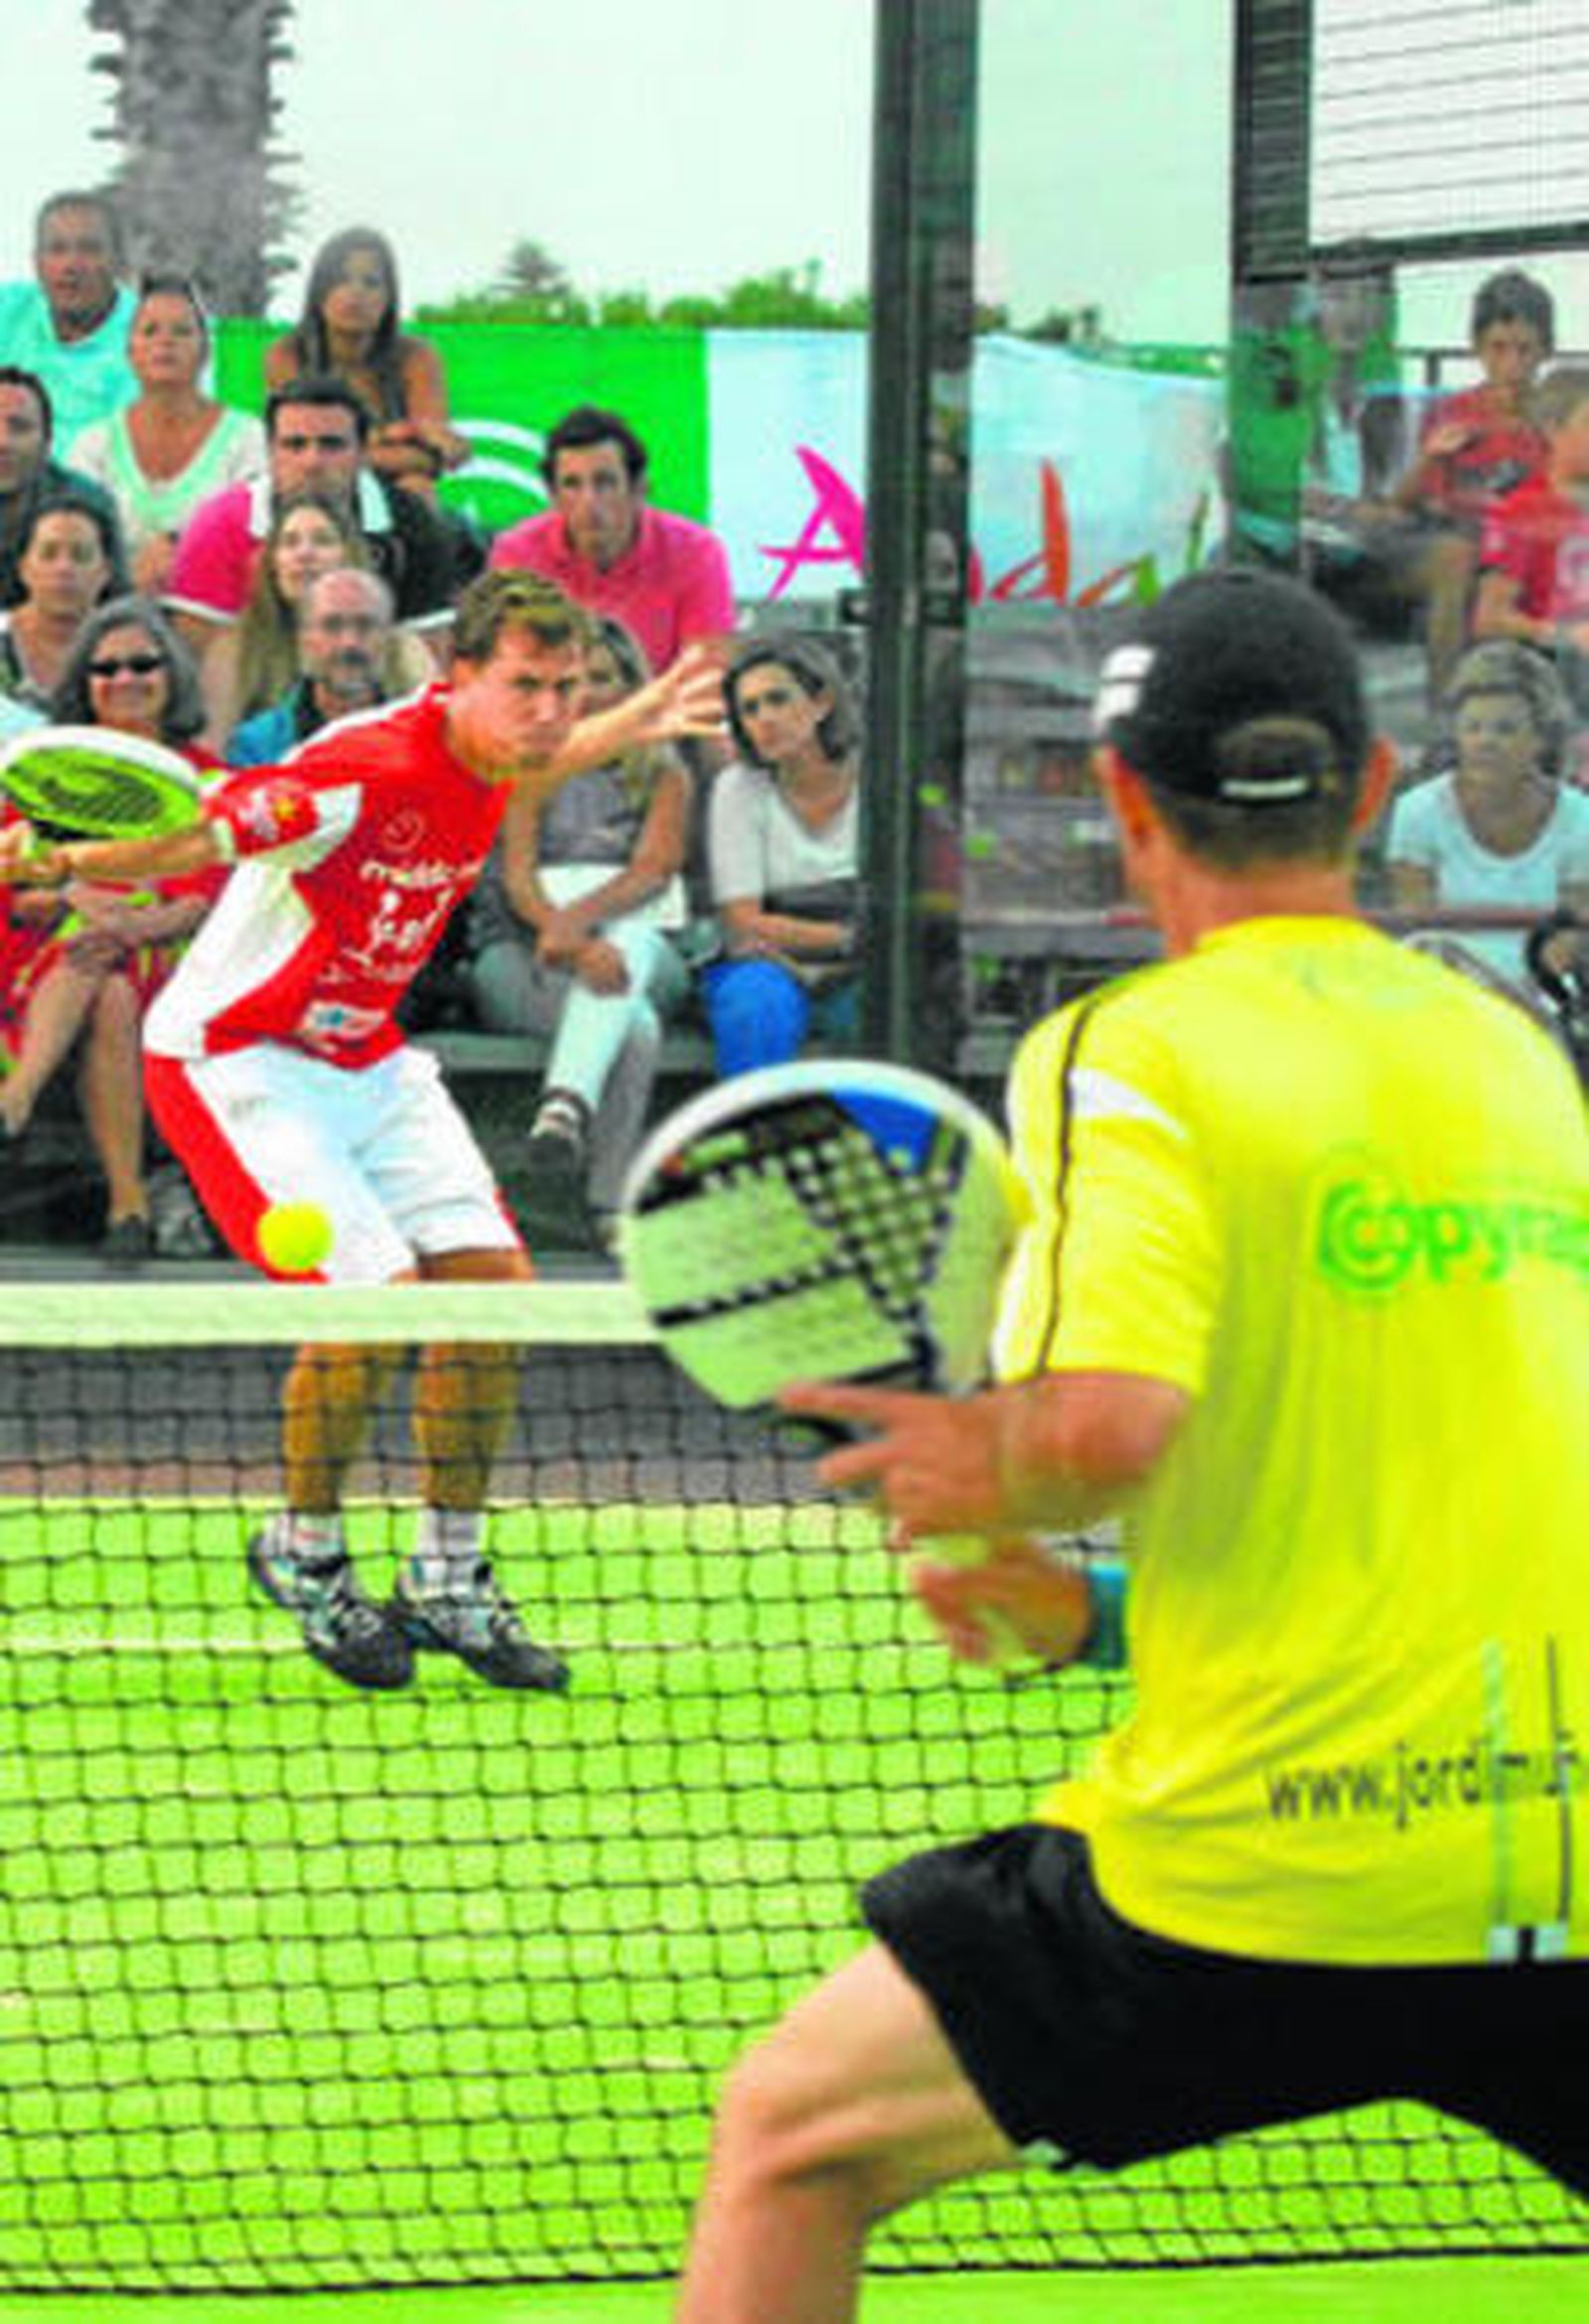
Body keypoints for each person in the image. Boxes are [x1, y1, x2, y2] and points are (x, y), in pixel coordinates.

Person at [673, 569, 1589, 2323]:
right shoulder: (1517, 1055)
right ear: (1375, 784)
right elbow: (1444, 1479)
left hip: (1271, 1868)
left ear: (1122, 801)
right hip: (1570, 1858)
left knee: (796, 2137)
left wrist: (970, 1462)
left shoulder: (1127, 1050)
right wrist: (1090, 1615)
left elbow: (1101, 1429)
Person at [0, 572, 724, 1693]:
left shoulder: (496, 743)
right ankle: (305, 1551)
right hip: (237, 1056)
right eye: (526, 686)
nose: (550, 710)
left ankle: (446, 1574)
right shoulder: (360, 770)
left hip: (365, 1056)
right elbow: (200, 834)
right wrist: (62, 862)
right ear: (458, 676)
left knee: (496, 1299)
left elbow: (536, 756)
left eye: (568, 686)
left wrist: (631, 718)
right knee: (373, 1302)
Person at [1, 597, 220, 1258]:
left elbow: (204, 900)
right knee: (105, 981)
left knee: (109, 971)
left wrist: (130, 924)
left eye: (142, 664)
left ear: (171, 675)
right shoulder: (49, 775)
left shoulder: (207, 778)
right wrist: (70, 894)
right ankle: (127, 1204)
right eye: (106, 668)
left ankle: (15, 1098)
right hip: (56, 955)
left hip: (169, 956)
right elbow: (14, 875)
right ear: (85, 682)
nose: (125, 679)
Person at [467, 614, 692, 1246]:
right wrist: (564, 934)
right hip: (527, 955)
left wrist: (579, 925)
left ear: (633, 689)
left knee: (634, 940)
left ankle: (564, 1101)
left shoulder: (666, 772)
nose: (587, 695)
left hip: (637, 949)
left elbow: (654, 871)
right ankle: (608, 1204)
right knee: (634, 1027)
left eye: (603, 678)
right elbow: (519, 882)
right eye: (571, 682)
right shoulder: (524, 766)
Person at [163, 373, 459, 658]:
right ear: (269, 452)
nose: (312, 462)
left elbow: (431, 661)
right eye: (295, 445)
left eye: (331, 445)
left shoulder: (413, 525)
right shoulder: (219, 524)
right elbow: (200, 661)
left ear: (363, 453)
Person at [1382, 269, 1554, 698]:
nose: (1512, 364)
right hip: (1465, 545)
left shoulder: (1559, 418)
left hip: (1530, 550)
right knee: (1457, 557)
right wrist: (1431, 456)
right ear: (1477, 348)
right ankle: (1447, 703)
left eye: (1525, 349)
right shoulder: (1453, 412)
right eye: (1498, 348)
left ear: (1545, 351)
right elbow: (1401, 503)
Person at [1386, 639, 1589, 990]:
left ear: (1540, 738)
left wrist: (1523, 994)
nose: (1485, 742)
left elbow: (1570, 938)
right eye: (1472, 728)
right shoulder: (1416, 812)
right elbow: (1418, 931)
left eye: (1505, 729)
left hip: (1543, 993)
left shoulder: (1580, 818)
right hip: (1445, 992)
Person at [703, 636, 860, 1077]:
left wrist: (853, 947)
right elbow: (743, 921)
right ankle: (755, 1121)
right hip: (766, 963)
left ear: (821, 703)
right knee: (753, 1003)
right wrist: (848, 937)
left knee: (881, 1010)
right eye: (749, 710)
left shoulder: (880, 775)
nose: (765, 719)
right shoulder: (738, 788)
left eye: (778, 700)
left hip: (864, 968)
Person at [489, 404, 734, 676]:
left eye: (604, 482)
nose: (589, 502)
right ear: (552, 496)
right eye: (572, 484)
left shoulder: (696, 551)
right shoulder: (517, 553)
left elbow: (706, 678)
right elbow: (509, 673)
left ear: (639, 488)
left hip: (664, 702)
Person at [66, 275, 266, 598]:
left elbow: (255, 539)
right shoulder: (93, 445)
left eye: (182, 331)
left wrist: (181, 553)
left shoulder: (248, 438)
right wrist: (128, 577)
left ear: (205, 352)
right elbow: (73, 541)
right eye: (150, 331)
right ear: (130, 352)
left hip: (217, 609)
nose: (165, 341)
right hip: (112, 611)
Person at [201, 491, 430, 749]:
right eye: (289, 542)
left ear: (351, 554)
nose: (305, 554)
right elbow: (215, 748)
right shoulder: (236, 650)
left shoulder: (403, 647)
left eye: (323, 541)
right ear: (273, 563)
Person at [264, 228, 469, 499]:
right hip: (314, 487)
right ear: (319, 291)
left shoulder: (416, 356)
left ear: (389, 297)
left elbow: (437, 456)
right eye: (341, 280)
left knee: (417, 485)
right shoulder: (288, 354)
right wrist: (398, 435)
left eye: (371, 283)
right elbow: (305, 450)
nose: (355, 294)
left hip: (393, 493)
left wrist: (365, 446)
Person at [1474, 364, 1589, 713]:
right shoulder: (1523, 511)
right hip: (1556, 659)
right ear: (1553, 430)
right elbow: (1489, 619)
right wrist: (1564, 635)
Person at [227, 564, 415, 766]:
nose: (349, 642)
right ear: (304, 638)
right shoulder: (256, 746)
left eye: (365, 625)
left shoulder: (417, 739)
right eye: (332, 626)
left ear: (388, 638)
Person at [0, 193, 138, 451]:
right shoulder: (10, 309)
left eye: (90, 249)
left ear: (119, 262)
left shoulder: (153, 339)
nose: (71, 265)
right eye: (57, 249)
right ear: (37, 263)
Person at [0, 364, 128, 609]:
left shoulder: (88, 504)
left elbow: (117, 607)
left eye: (19, 427)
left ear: (47, 442)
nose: (3, 443)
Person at [0, 495, 118, 710]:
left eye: (81, 555)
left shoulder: (127, 651)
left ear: (105, 571)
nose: (64, 568)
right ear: (23, 567)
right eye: (48, 554)